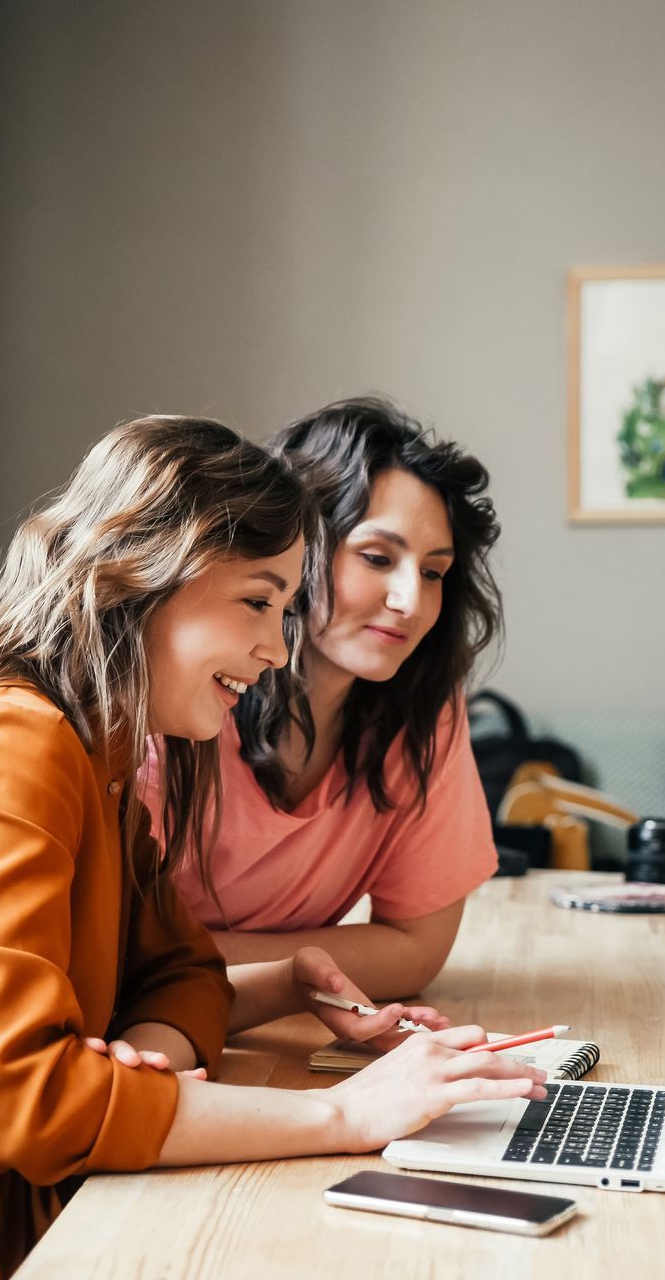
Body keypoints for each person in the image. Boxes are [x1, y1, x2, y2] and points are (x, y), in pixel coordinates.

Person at [0, 416, 541, 1280]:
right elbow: (27, 1104)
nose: (277, 647)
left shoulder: (101, 751)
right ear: (143, 577)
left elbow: (178, 973)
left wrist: (254, 996)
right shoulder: (5, 743)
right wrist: (343, 1110)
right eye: (260, 603)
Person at [153, 397, 504, 1003]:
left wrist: (200, 962)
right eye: (377, 558)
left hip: (239, 1022)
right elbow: (107, 956)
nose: (410, 602)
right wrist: (318, 965)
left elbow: (416, 951)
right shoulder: (177, 699)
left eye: (433, 572)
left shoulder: (423, 711)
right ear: (296, 548)